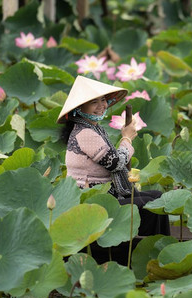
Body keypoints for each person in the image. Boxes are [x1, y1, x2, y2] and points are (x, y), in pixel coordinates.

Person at [57, 76, 170, 244]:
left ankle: (159, 245)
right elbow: (115, 163)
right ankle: (146, 246)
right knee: (148, 205)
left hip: (108, 193)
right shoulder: (84, 133)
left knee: (157, 196)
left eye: (103, 100)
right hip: (92, 200)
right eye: (94, 102)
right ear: (79, 108)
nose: (101, 106)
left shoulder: (94, 129)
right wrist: (127, 138)